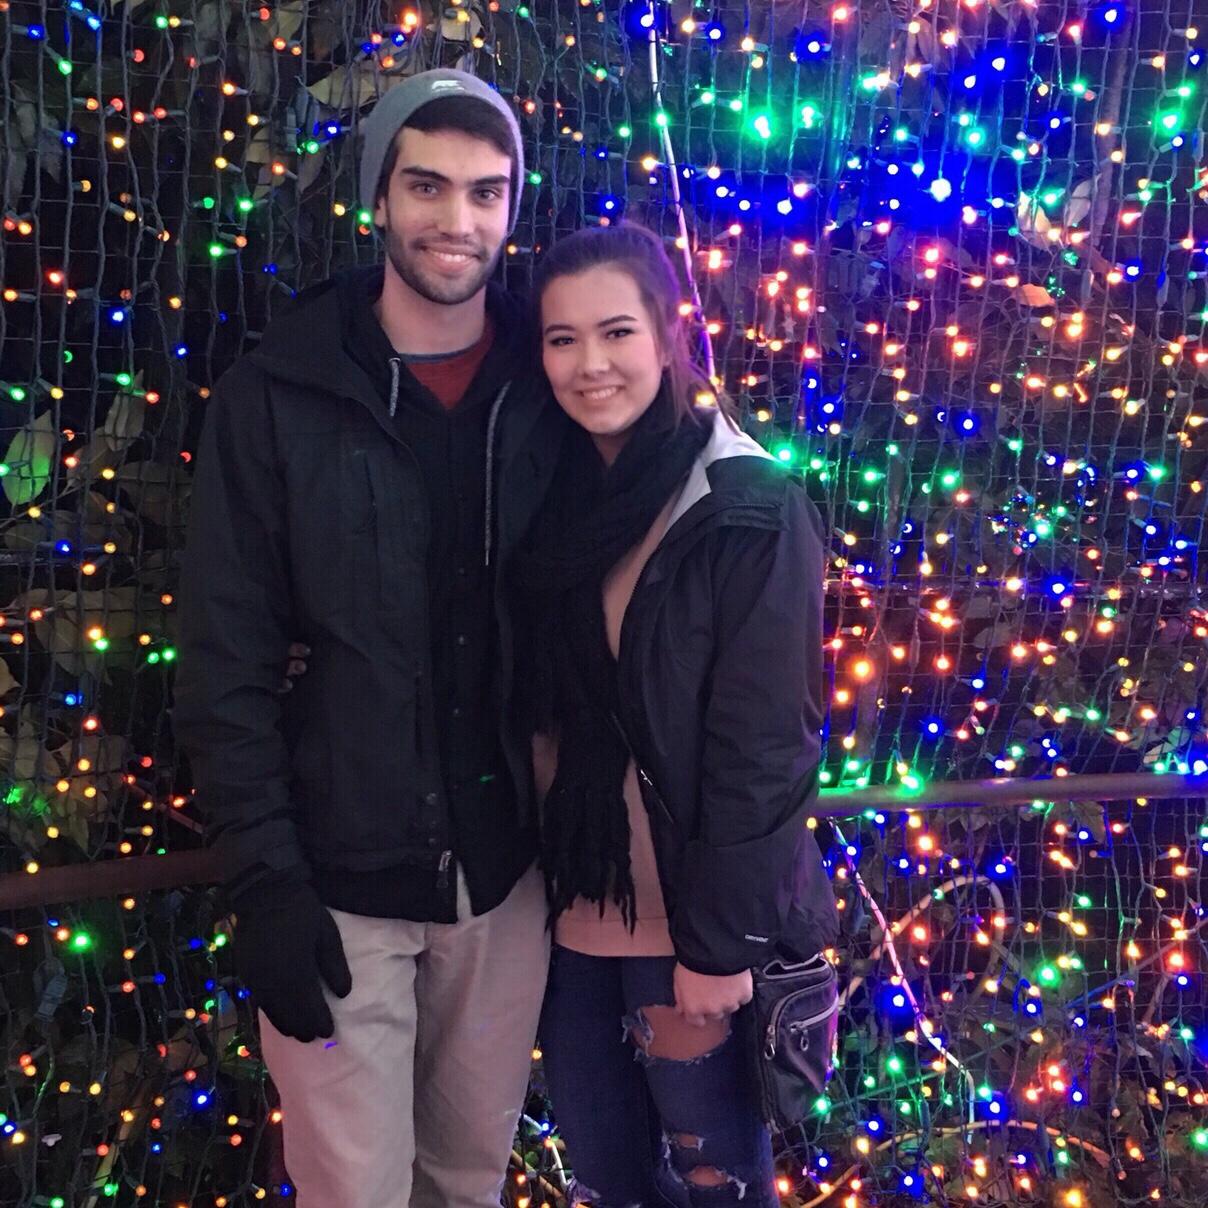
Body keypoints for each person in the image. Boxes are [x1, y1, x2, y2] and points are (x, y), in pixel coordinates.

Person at [173, 68, 566, 1208]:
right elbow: (225, 659)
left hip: (504, 887)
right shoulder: (279, 395)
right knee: (355, 1192)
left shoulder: (547, 381)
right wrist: (267, 887)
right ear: (378, 199)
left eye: (486, 193)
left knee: (465, 1180)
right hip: (339, 887)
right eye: (427, 186)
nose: (458, 221)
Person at [508, 223, 839, 1206]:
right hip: (573, 918)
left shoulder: (745, 506)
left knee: (715, 1183)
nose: (588, 363)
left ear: (666, 332)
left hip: (686, 925)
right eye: (560, 339)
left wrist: (713, 944)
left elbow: (764, 746)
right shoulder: (560, 493)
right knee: (610, 1176)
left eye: (613, 331)